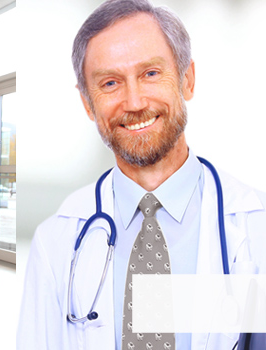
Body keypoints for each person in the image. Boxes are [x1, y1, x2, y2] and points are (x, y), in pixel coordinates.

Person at [16, 0, 266, 349]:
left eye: (150, 73)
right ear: (88, 103)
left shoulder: (255, 227)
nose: (134, 102)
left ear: (187, 80)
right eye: (110, 83)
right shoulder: (56, 242)